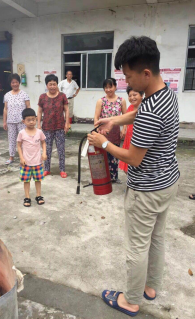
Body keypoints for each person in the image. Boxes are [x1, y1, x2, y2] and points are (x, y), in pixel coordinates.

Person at [88, 36, 180, 317]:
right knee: (157, 238)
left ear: (146, 73)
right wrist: (113, 120)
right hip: (168, 182)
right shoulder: (165, 95)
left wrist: (103, 143)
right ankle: (150, 287)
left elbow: (132, 157)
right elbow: (139, 113)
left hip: (147, 190)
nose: (127, 83)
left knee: (136, 247)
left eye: (128, 76)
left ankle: (130, 300)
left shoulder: (151, 109)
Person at [94, 78, 126, 183]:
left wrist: (124, 129)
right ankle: (103, 177)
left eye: (110, 87)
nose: (108, 89)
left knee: (114, 155)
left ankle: (113, 177)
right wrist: (97, 128)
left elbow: (125, 117)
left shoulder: (121, 100)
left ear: (115, 87)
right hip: (103, 132)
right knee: (102, 154)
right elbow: (96, 117)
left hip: (115, 132)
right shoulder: (101, 101)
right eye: (106, 87)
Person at [37, 74, 69, 178]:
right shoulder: (42, 97)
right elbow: (39, 111)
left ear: (57, 85)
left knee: (61, 149)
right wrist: (38, 124)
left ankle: (62, 170)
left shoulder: (62, 96)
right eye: (50, 84)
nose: (52, 86)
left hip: (60, 126)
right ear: (46, 85)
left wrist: (67, 123)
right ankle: (46, 169)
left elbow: (66, 110)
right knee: (47, 149)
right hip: (46, 127)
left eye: (54, 84)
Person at [17, 108, 47, 207]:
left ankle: (38, 195)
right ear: (23, 121)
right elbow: (19, 145)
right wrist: (21, 158)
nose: (31, 122)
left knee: (38, 180)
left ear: (36, 119)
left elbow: (43, 142)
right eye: (28, 120)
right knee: (26, 180)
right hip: (26, 162)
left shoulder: (39, 132)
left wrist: (44, 153)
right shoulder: (22, 133)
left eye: (33, 119)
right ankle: (27, 197)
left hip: (37, 161)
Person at [3, 73, 30, 165]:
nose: (15, 84)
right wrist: (4, 121)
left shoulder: (24, 94)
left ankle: (24, 157)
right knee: (11, 139)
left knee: (23, 139)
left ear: (19, 83)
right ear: (10, 83)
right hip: (10, 121)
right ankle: (11, 157)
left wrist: (28, 120)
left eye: (16, 82)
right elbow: (5, 109)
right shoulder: (7, 95)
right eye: (13, 82)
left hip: (21, 121)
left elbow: (28, 107)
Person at [119, 87, 144, 174]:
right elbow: (126, 119)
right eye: (130, 96)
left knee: (136, 163)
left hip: (137, 140)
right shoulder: (130, 107)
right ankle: (129, 182)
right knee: (127, 164)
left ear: (142, 95)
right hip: (128, 139)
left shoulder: (144, 108)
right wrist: (124, 129)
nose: (132, 97)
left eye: (135, 95)